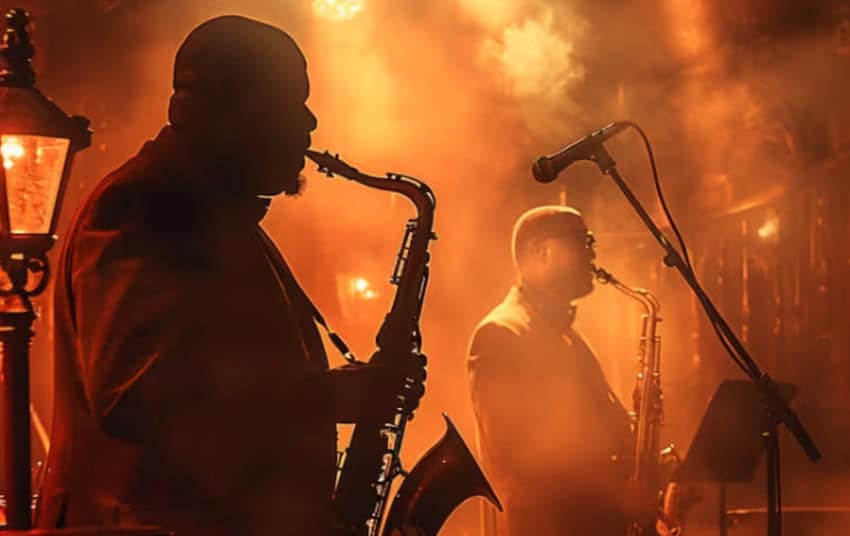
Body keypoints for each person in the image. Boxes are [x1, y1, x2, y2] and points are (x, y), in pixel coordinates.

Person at [37, 15, 424, 536]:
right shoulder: (142, 204)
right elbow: (137, 395)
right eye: (291, 103)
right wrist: (328, 397)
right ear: (227, 107)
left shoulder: (215, 215)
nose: (309, 123)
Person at [467, 205, 641, 535]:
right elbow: (519, 458)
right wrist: (617, 493)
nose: (592, 253)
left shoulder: (565, 333)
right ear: (540, 251)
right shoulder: (501, 333)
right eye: (582, 241)